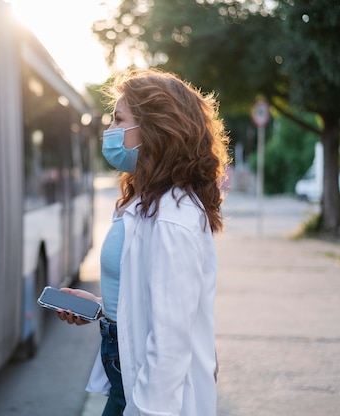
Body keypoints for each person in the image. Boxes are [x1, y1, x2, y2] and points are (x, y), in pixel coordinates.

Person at [56, 68, 230, 416]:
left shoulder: (170, 218)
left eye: (119, 120)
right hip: (126, 376)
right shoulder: (148, 201)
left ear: (155, 130)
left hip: (146, 396)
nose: (109, 131)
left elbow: (170, 341)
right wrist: (103, 307)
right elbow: (150, 297)